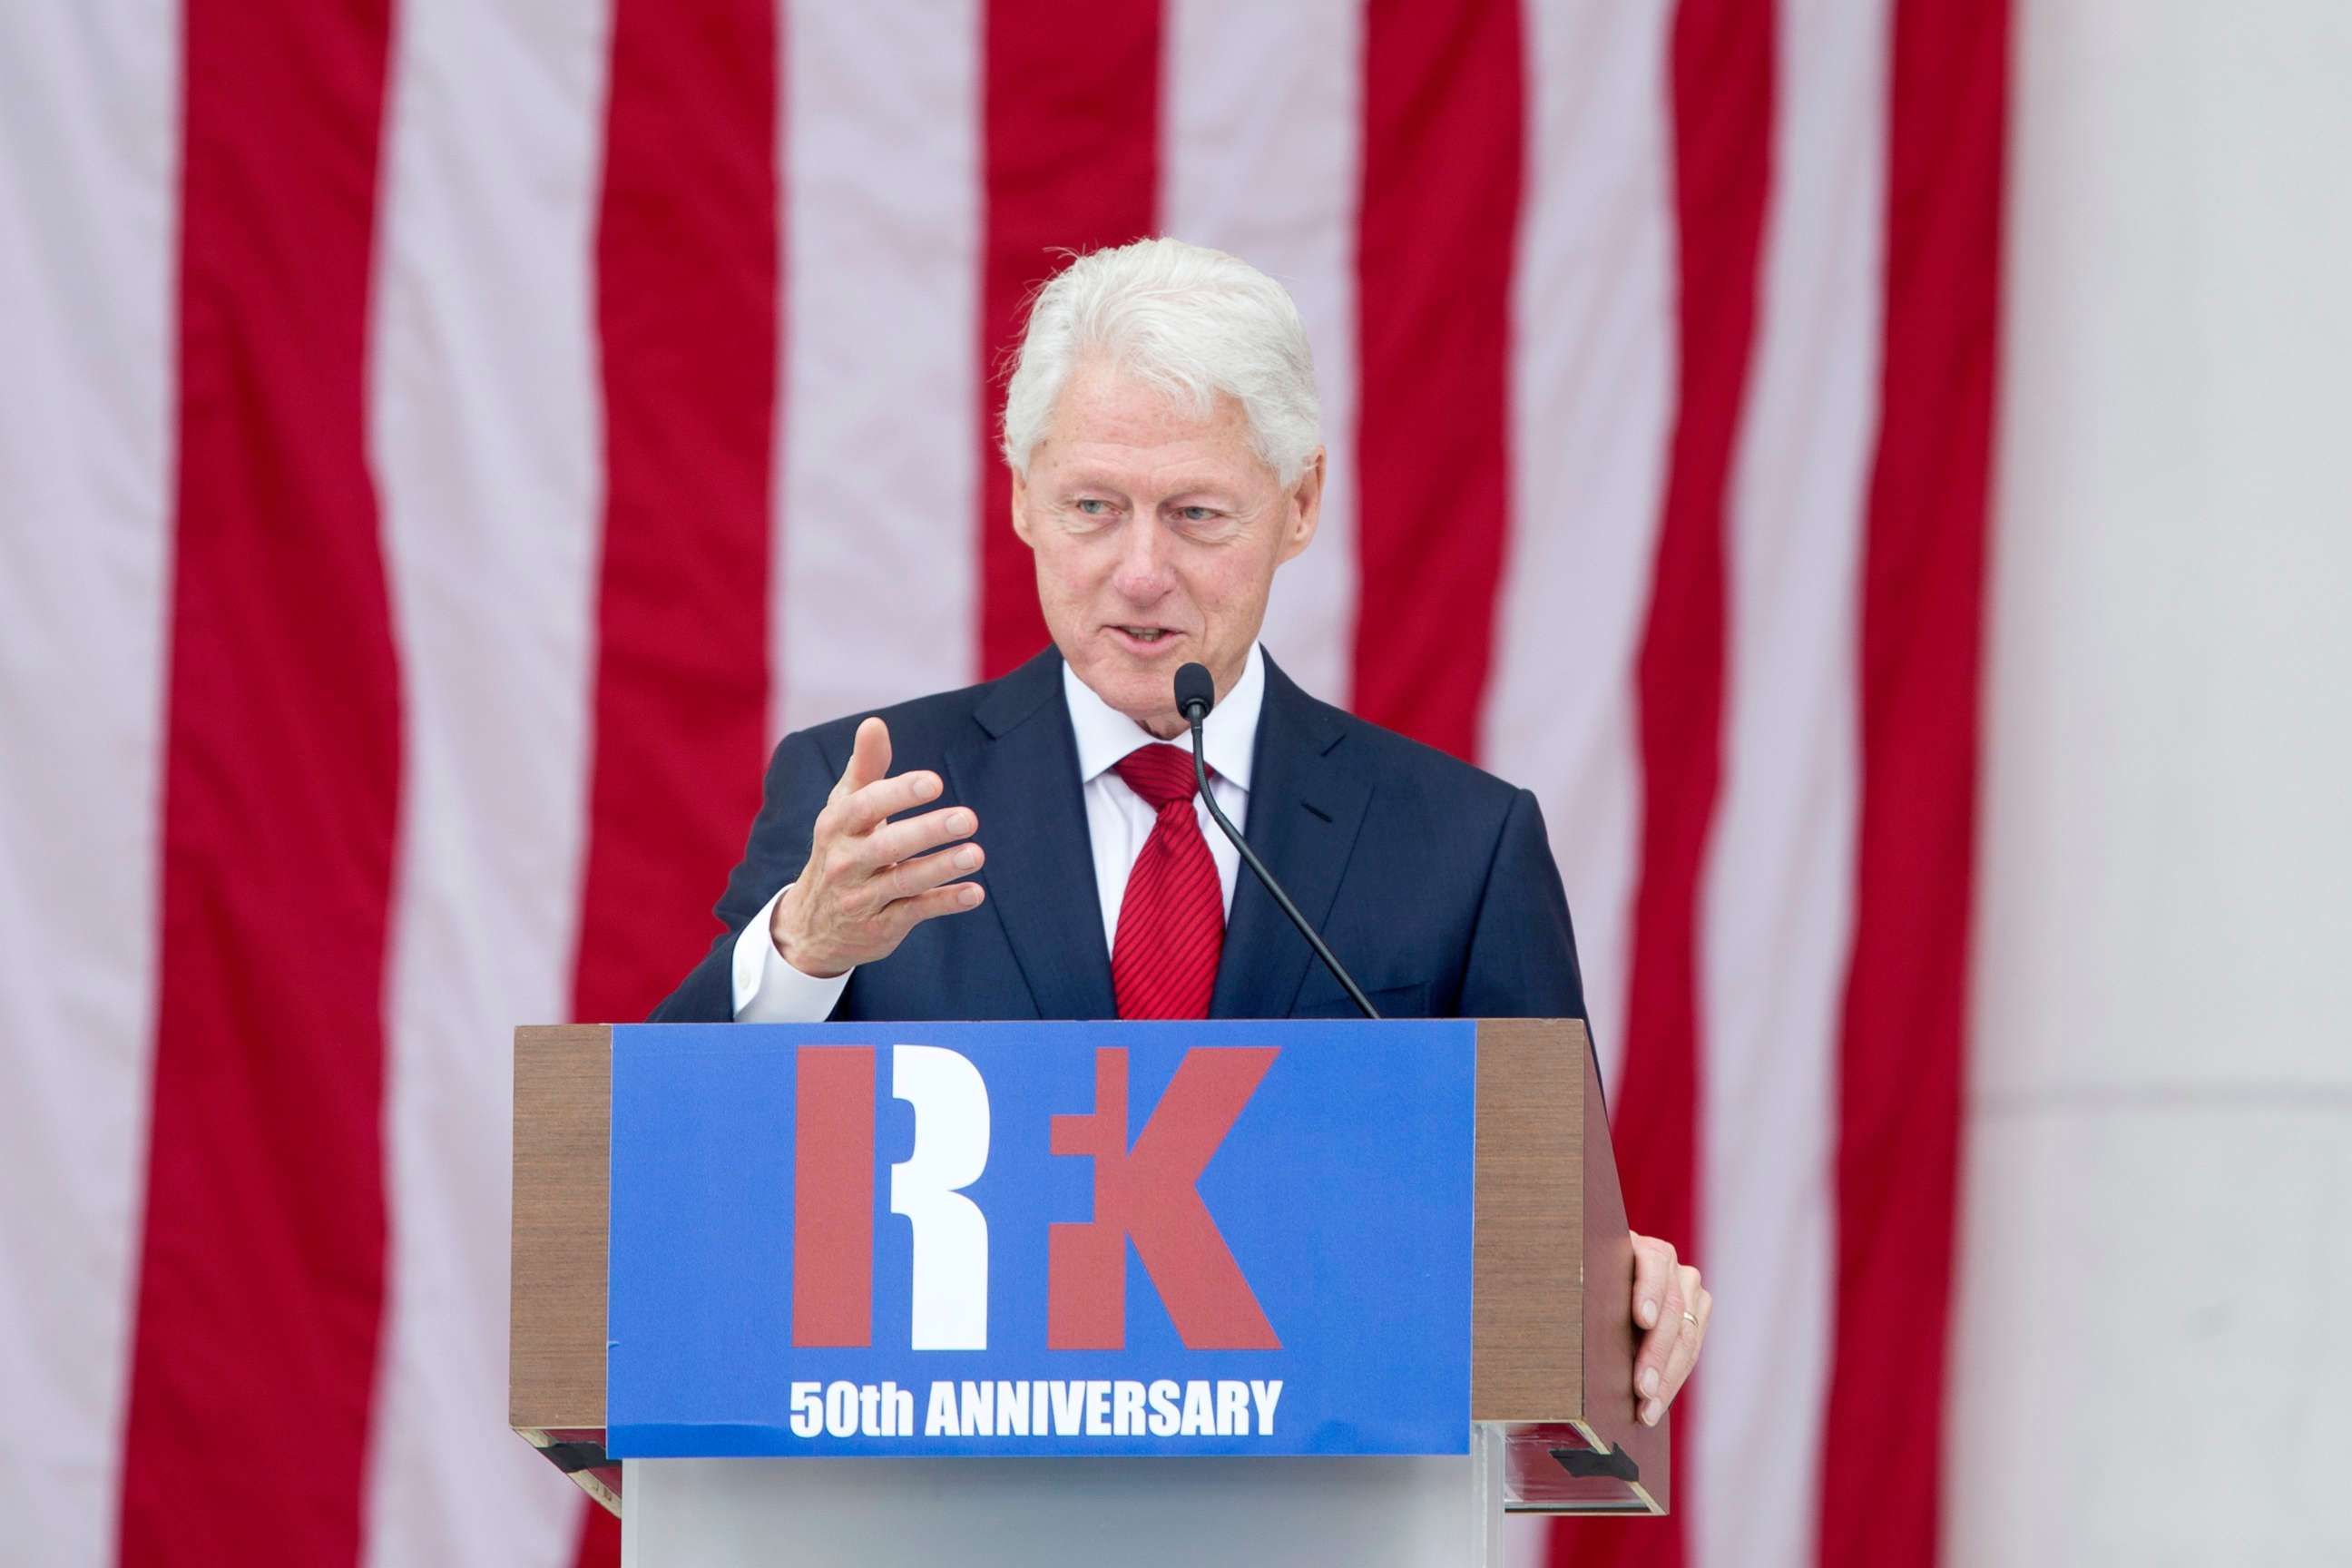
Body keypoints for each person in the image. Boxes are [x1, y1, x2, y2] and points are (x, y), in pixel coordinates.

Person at [652, 237, 1708, 1428]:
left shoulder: (1460, 846)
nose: (1142, 572)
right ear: (1021, 501)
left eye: (1197, 514)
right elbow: (672, 1187)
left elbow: (1542, 1224)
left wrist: (1605, 1283)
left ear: (1301, 502)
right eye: (1094, 508)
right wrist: (803, 950)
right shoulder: (871, 801)